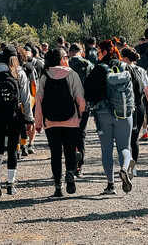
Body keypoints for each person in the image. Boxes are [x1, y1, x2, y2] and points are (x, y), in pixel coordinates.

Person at [84, 39, 135, 195]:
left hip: (103, 114)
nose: (97, 55)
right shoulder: (126, 67)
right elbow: (137, 90)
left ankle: (110, 185)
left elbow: (88, 93)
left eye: (98, 52)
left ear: (104, 52)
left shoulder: (98, 70)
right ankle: (125, 169)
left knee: (106, 150)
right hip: (124, 113)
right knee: (125, 148)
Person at [0, 44, 34, 196]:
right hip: (15, 116)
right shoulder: (20, 73)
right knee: (12, 150)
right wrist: (29, 119)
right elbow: (26, 98)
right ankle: (10, 185)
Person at [35, 48, 86, 197]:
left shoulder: (45, 76)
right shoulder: (72, 74)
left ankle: (58, 186)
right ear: (61, 59)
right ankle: (70, 171)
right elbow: (80, 98)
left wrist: (38, 122)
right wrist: (81, 114)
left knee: (55, 154)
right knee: (70, 151)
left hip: (50, 122)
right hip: (71, 120)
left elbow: (39, 100)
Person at [120, 47, 148, 171]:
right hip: (139, 105)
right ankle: (133, 168)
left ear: (126, 58)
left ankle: (125, 164)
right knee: (135, 137)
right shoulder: (141, 71)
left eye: (121, 56)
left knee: (124, 138)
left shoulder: (121, 70)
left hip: (125, 106)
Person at [68, 43, 93, 176]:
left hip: (69, 103)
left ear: (70, 52)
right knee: (81, 133)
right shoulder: (89, 64)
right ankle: (80, 166)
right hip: (85, 102)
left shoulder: (67, 64)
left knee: (69, 133)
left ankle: (71, 163)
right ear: (81, 51)